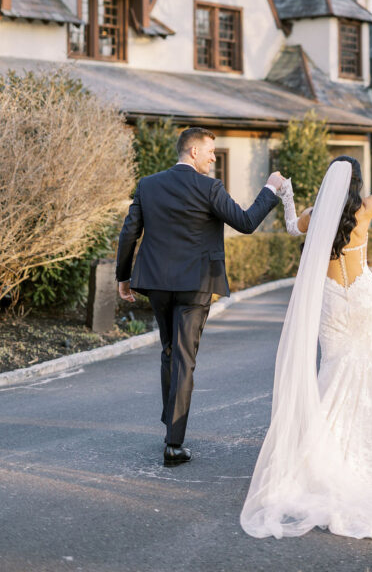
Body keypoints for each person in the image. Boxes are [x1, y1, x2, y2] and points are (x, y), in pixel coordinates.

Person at [240, 128, 372, 540]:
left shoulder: (313, 215)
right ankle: (354, 454)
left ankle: (320, 454)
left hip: (331, 302)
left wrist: (287, 194)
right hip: (363, 297)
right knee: (363, 373)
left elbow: (292, 228)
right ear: (356, 184)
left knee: (333, 371)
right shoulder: (366, 210)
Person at [116, 126, 283, 467]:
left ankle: (171, 423)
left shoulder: (148, 185)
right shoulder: (210, 188)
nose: (213, 158)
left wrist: (123, 277)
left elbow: (129, 231)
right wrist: (270, 189)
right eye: (209, 152)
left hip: (157, 283)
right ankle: (173, 444)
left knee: (169, 350)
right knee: (183, 358)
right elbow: (246, 222)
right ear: (193, 151)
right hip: (196, 284)